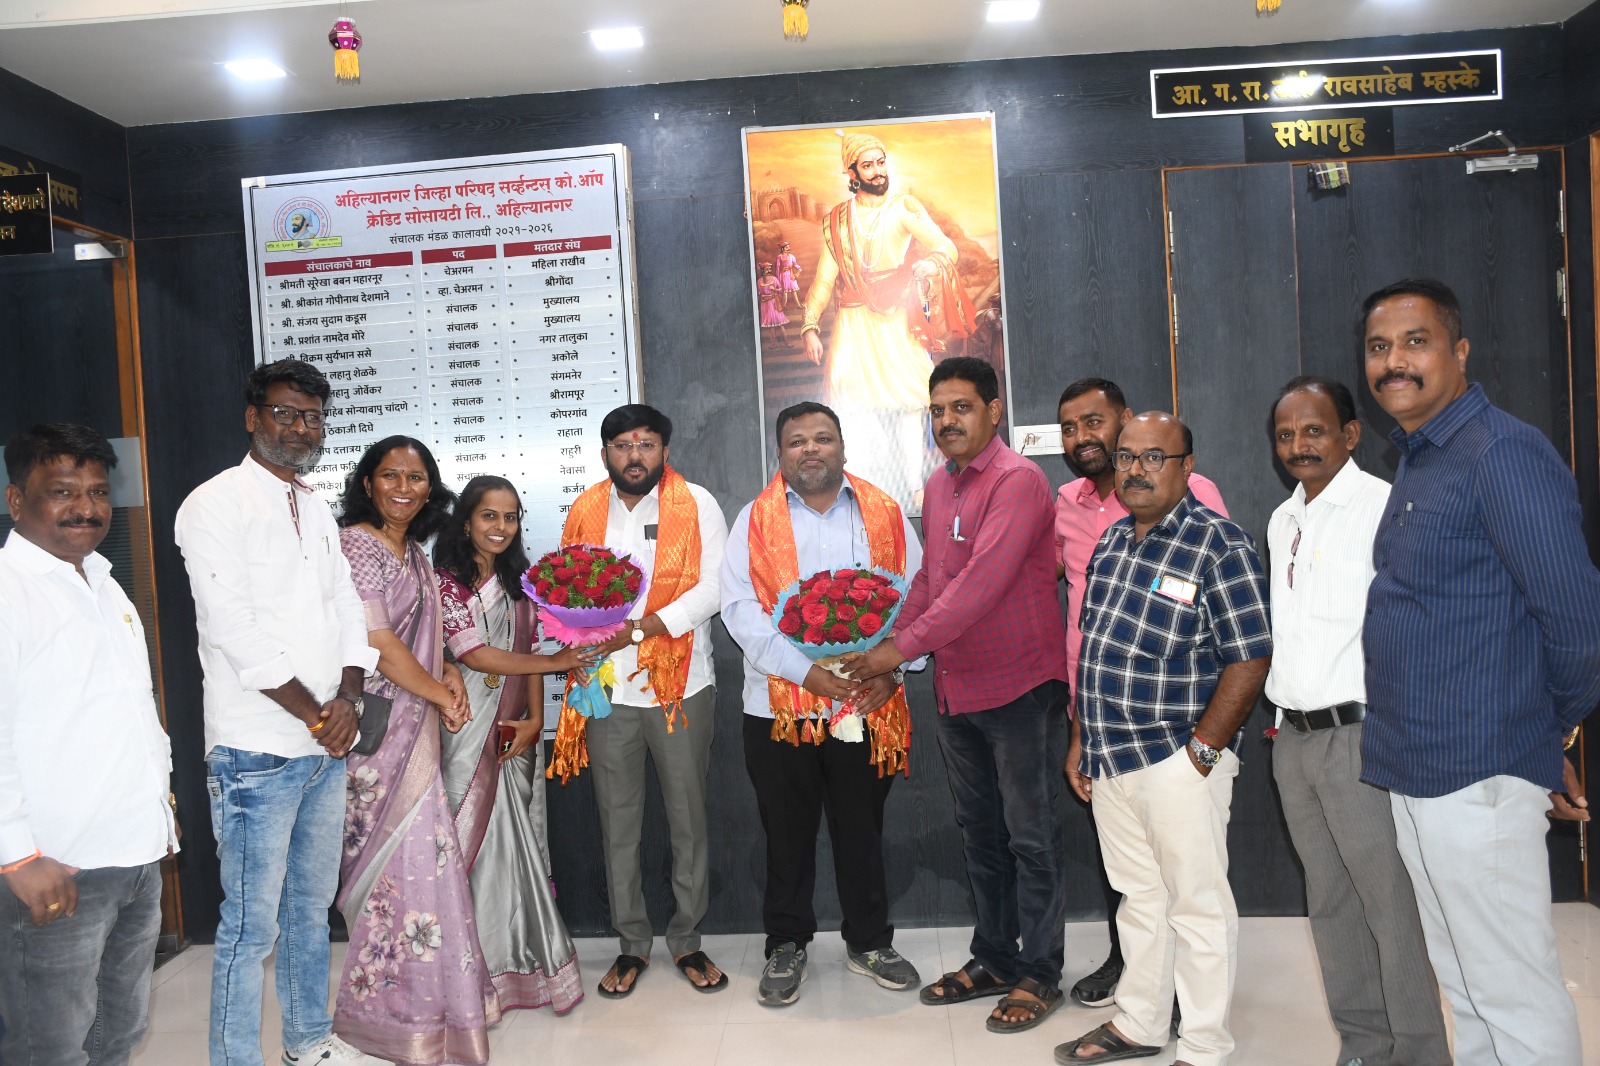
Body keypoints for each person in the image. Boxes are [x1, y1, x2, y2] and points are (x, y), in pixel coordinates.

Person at [1360, 278, 1600, 1065]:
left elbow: (1577, 620)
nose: (1394, 361)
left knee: (1512, 989)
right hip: (1419, 766)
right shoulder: (1424, 455)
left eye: (1415, 341)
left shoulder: (1501, 452)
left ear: (1459, 352)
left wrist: (1542, 732)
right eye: (1378, 347)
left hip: (1477, 768)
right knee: (1466, 983)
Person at [174, 360, 390, 1066]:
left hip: (323, 746)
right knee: (249, 928)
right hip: (255, 749)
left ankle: (308, 1041)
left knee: (309, 911)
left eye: (313, 417)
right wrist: (317, 714)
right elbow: (232, 628)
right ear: (252, 417)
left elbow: (345, 605)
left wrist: (349, 699)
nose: (301, 428)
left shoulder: (314, 506)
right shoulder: (213, 503)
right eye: (285, 413)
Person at [848, 356, 1070, 1035]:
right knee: (981, 835)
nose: (947, 421)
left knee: (1030, 837)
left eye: (961, 407)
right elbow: (929, 582)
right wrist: (893, 658)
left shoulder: (1018, 480)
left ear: (993, 411)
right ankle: (996, 957)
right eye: (938, 410)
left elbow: (979, 587)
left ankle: (1041, 970)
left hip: (1019, 689)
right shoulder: (940, 484)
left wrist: (892, 653)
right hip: (957, 689)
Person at [1060, 411, 1272, 1066]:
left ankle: (1203, 1046)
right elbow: (1094, 649)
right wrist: (1081, 739)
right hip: (1110, 757)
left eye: (1155, 457)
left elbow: (1250, 656)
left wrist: (1202, 753)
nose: (1136, 470)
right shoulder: (1112, 542)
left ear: (1187, 467)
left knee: (1196, 907)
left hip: (1179, 758)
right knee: (1139, 899)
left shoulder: (1220, 545)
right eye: (1126, 457)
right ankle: (1141, 1025)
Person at [1265, 376, 1449, 1066]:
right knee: (1330, 903)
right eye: (1286, 435)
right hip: (1293, 740)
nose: (1298, 446)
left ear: (1349, 434)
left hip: (1362, 737)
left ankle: (1419, 1053)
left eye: (1314, 430)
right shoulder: (1283, 520)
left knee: (1389, 906)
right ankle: (1365, 1047)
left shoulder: (1383, 507)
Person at [721, 401, 924, 1007]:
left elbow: (919, 597)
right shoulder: (754, 520)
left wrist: (894, 670)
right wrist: (805, 673)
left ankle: (870, 943)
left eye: (822, 438)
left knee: (862, 829)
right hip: (780, 705)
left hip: (866, 700)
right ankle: (787, 944)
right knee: (785, 834)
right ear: (780, 454)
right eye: (797, 441)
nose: (810, 449)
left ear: (841, 446)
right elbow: (739, 609)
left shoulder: (885, 513)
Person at [0, 423, 178, 1066]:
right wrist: (17, 857)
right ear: (16, 500)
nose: (86, 507)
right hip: (56, 868)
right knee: (49, 1048)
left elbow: (130, 712)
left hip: (133, 856)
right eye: (63, 491)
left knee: (117, 1037)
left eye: (99, 492)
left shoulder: (103, 582)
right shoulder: (9, 592)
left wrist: (159, 812)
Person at [1054, 377, 1227, 1009]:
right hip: (1101, 722)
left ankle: (1197, 1022)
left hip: (1176, 731)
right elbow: (1079, 617)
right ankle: (1137, 991)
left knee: (1189, 887)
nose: (1083, 437)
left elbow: (1238, 638)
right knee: (1132, 881)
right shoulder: (1077, 514)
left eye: (1095, 422)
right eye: (1069, 427)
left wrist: (1205, 747)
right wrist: (1080, 727)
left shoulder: (1203, 513)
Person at [552, 404, 730, 999]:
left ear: (664, 450)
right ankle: (632, 943)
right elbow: (564, 586)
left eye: (647, 444)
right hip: (606, 688)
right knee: (617, 820)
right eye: (623, 445)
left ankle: (687, 938)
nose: (635, 456)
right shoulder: (585, 509)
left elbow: (714, 587)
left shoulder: (696, 503)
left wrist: (639, 630)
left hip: (680, 685)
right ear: (606, 452)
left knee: (688, 818)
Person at [334, 437, 497, 1066]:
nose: (404, 488)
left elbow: (434, 642)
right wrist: (438, 692)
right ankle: (392, 1018)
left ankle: (438, 1012)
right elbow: (376, 641)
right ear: (368, 483)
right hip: (377, 742)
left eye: (416, 477)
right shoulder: (357, 546)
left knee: (430, 868)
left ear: (431, 488)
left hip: (419, 732)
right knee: (391, 876)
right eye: (391, 475)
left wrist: (448, 676)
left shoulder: (417, 556)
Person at [432, 475, 598, 1016]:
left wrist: (536, 721)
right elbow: (475, 655)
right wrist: (558, 662)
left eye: (510, 517)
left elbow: (527, 649)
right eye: (489, 516)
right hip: (464, 732)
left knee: (516, 849)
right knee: (471, 845)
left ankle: (521, 965)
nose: (501, 527)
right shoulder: (446, 584)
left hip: (513, 732)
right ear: (466, 521)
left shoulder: (520, 585)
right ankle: (468, 978)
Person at [801, 132, 977, 509]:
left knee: (909, 404)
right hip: (853, 323)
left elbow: (945, 247)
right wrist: (810, 325)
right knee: (853, 405)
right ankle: (865, 486)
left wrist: (930, 264)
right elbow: (824, 279)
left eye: (881, 163)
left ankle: (914, 487)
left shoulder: (903, 207)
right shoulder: (836, 221)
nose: (878, 171)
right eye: (868, 165)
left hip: (896, 316)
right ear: (852, 173)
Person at [758, 262, 791, 348]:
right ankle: (774, 344)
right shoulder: (759, 281)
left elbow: (781, 290)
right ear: (762, 271)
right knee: (771, 326)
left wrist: (775, 289)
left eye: (769, 269)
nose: (768, 271)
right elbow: (758, 293)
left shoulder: (774, 279)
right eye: (766, 269)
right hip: (765, 305)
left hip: (774, 303)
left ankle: (787, 343)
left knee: (780, 324)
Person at [776, 240, 802, 308]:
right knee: (785, 291)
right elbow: (778, 268)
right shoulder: (779, 257)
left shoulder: (791, 256)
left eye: (789, 247)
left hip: (790, 274)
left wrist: (799, 268)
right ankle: (784, 305)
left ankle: (798, 304)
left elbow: (795, 264)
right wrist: (778, 278)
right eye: (787, 247)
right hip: (783, 275)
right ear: (782, 249)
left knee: (793, 290)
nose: (788, 248)